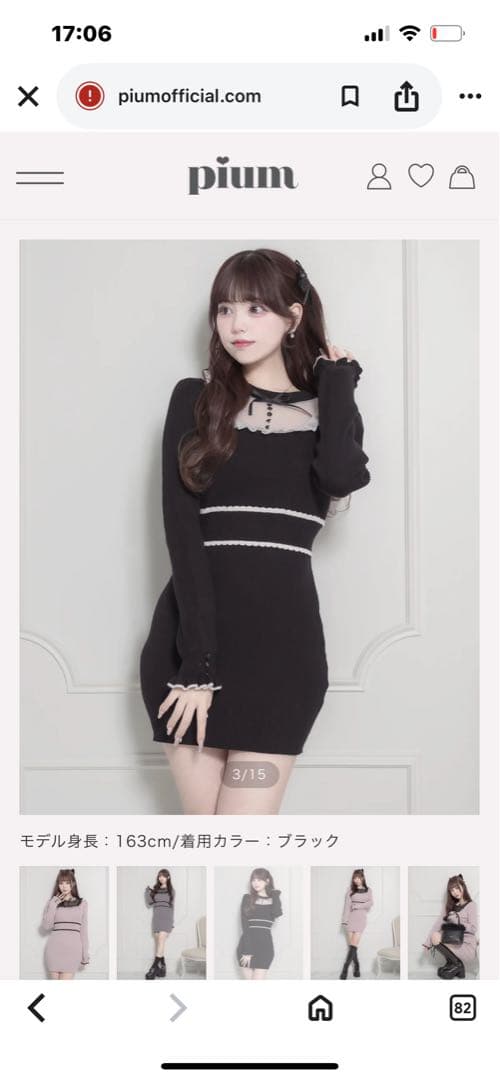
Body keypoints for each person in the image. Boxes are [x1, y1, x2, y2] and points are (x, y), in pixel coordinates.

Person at [140, 247, 371, 813]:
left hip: (282, 657)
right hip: (190, 652)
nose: (235, 324)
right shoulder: (195, 400)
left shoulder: (331, 409)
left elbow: (340, 478)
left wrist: (337, 386)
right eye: (224, 309)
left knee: (241, 838)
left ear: (294, 317)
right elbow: (181, 533)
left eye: (255, 308)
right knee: (210, 840)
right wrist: (198, 666)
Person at [422, 873, 479, 979]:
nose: (455, 892)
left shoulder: (471, 905)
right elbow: (438, 923)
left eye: (457, 888)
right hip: (453, 940)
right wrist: (427, 943)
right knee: (435, 936)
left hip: (466, 944)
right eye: (452, 890)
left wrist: (458, 922)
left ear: (463, 886)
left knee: (437, 936)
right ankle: (455, 965)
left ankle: (457, 966)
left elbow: (473, 928)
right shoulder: (450, 906)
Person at [42, 868, 89, 980]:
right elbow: (46, 926)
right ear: (58, 885)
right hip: (54, 949)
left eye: (67, 882)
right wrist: (53, 904)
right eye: (61, 883)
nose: (64, 886)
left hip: (72, 950)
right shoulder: (52, 903)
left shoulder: (82, 903)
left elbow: (84, 931)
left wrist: (85, 954)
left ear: (73, 884)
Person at [236, 868, 283, 979]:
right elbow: (245, 925)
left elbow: (277, 913)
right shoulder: (247, 898)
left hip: (265, 947)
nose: (255, 883)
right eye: (253, 880)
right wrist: (247, 951)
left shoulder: (274, 898)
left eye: (259, 880)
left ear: (267, 881)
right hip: (246, 946)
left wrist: (275, 894)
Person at [339, 868, 373, 978]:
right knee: (352, 946)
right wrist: (344, 921)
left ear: (362, 878)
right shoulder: (350, 890)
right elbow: (346, 907)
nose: (356, 880)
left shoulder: (368, 890)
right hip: (350, 919)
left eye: (358, 878)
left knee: (353, 945)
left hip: (361, 919)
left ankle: (345, 968)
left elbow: (370, 903)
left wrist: (358, 905)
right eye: (354, 878)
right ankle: (357, 967)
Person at [144, 868, 175, 979]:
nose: (161, 878)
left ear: (168, 877)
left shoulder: (171, 891)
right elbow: (150, 903)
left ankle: (153, 968)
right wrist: (147, 893)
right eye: (159, 876)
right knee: (159, 944)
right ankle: (162, 967)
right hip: (156, 919)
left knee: (161, 941)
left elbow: (172, 907)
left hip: (167, 919)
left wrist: (172, 922)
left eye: (163, 876)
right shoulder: (155, 890)